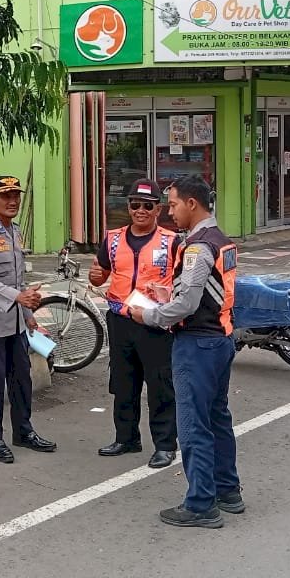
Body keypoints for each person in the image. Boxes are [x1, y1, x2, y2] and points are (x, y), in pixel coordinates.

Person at [131, 175, 242, 529]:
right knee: (217, 418)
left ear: (192, 204)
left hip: (197, 343)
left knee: (194, 424)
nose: (169, 211)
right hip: (220, 338)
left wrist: (148, 314)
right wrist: (170, 297)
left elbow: (189, 303)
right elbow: (207, 294)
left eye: (174, 204)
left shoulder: (197, 246)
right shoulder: (221, 240)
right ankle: (228, 491)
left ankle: (200, 504)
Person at [88, 179, 178, 468]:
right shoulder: (112, 239)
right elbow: (99, 275)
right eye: (135, 205)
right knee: (123, 383)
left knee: (160, 384)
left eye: (147, 206)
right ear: (128, 207)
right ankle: (126, 438)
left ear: (158, 209)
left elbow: (184, 282)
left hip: (155, 323)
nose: (140, 210)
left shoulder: (172, 241)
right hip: (121, 321)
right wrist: (94, 276)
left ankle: (165, 444)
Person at [0, 174, 57, 464]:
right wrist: (18, 299)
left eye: (16, 195)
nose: (13, 201)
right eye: (5, 196)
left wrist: (28, 314)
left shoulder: (15, 232)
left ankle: (24, 431)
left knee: (22, 379)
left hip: (15, 323)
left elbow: (19, 280)